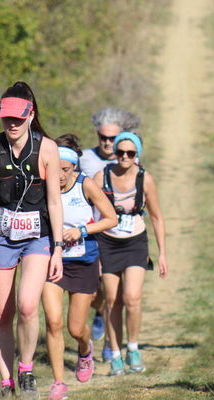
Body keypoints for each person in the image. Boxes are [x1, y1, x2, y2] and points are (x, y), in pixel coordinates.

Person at [0, 81, 64, 398]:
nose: (11, 124)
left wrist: (59, 249)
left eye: (18, 119)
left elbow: (53, 203)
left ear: (31, 115)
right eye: (6, 118)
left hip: (37, 236)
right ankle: (6, 382)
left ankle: (26, 369)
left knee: (27, 306)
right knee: (1, 313)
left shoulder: (47, 150)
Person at [42, 134, 118, 400]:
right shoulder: (43, 187)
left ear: (74, 167)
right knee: (53, 322)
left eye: (65, 170)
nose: (60, 175)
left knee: (76, 329)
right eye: (56, 169)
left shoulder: (85, 186)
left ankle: (85, 351)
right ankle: (58, 383)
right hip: (52, 262)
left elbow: (111, 218)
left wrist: (83, 230)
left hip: (83, 261)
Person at [93, 131, 168, 376]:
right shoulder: (101, 176)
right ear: (115, 153)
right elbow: (88, 211)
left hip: (135, 241)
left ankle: (132, 348)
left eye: (130, 153)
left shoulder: (145, 179)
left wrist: (163, 253)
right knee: (112, 301)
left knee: (132, 297)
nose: (124, 157)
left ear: (137, 155)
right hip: (107, 242)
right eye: (120, 152)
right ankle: (114, 353)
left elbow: (156, 216)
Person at [80, 107, 141, 359]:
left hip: (122, 235)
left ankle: (109, 344)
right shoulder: (85, 159)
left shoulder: (129, 156)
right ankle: (98, 313)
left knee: (117, 292)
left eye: (111, 139)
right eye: (102, 137)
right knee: (96, 291)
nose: (106, 143)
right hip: (91, 230)